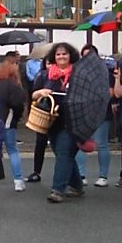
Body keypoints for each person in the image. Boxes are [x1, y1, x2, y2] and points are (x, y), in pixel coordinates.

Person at [32, 43, 84, 203]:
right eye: (58, 54)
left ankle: (58, 190)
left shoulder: (79, 75)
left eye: (65, 54)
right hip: (51, 121)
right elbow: (33, 96)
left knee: (63, 153)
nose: (61, 57)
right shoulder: (45, 75)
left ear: (71, 56)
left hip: (72, 122)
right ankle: (76, 186)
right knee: (64, 154)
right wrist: (40, 92)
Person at [0, 62, 27, 191]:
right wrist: (16, 118)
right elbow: (18, 105)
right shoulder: (14, 87)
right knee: (12, 150)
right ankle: (18, 181)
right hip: (7, 122)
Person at [76, 44, 113, 187]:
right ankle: (81, 175)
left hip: (102, 111)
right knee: (82, 143)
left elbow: (110, 93)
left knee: (102, 144)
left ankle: (103, 176)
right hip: (84, 112)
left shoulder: (106, 71)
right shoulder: (78, 72)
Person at [25, 59, 52, 183]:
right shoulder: (42, 76)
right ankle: (36, 172)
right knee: (40, 143)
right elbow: (34, 94)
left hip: (58, 114)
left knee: (61, 148)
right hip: (43, 113)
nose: (50, 66)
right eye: (48, 63)